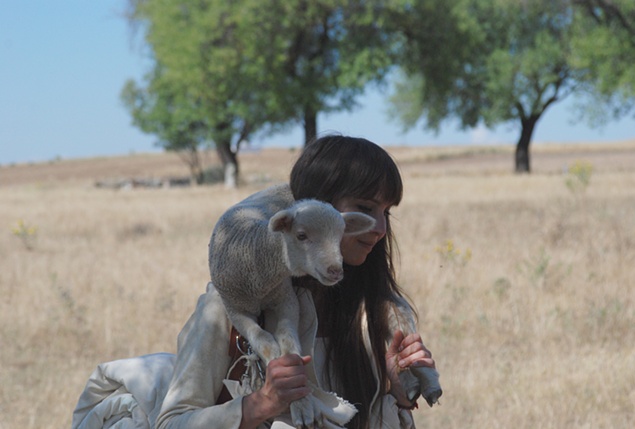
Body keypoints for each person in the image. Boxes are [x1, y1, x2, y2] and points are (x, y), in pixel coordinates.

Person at [71, 135, 437, 429]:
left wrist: (393, 388)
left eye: (386, 212)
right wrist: (260, 404)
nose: (379, 228)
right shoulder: (230, 306)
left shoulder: (368, 308)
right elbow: (173, 421)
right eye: (365, 208)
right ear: (317, 208)